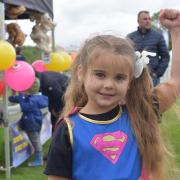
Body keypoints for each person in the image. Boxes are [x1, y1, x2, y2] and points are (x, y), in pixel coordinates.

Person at [44, 9, 180, 180]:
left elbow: (175, 82)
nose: (109, 85)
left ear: (130, 81)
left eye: (119, 77)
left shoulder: (139, 114)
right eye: (100, 74)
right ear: (81, 73)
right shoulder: (68, 130)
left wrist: (176, 31)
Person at [9, 78, 48, 167]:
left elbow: (23, 106)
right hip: (34, 122)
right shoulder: (35, 97)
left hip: (32, 123)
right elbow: (13, 99)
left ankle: (39, 160)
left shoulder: (32, 100)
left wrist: (21, 94)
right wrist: (15, 93)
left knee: (35, 140)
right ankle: (37, 154)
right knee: (35, 139)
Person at [127, 10, 170, 86]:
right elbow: (126, 55)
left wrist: (157, 74)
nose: (148, 21)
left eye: (149, 19)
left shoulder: (158, 36)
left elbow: (165, 56)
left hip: (152, 78)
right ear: (138, 21)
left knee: (152, 98)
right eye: (145, 19)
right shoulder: (130, 37)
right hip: (135, 77)